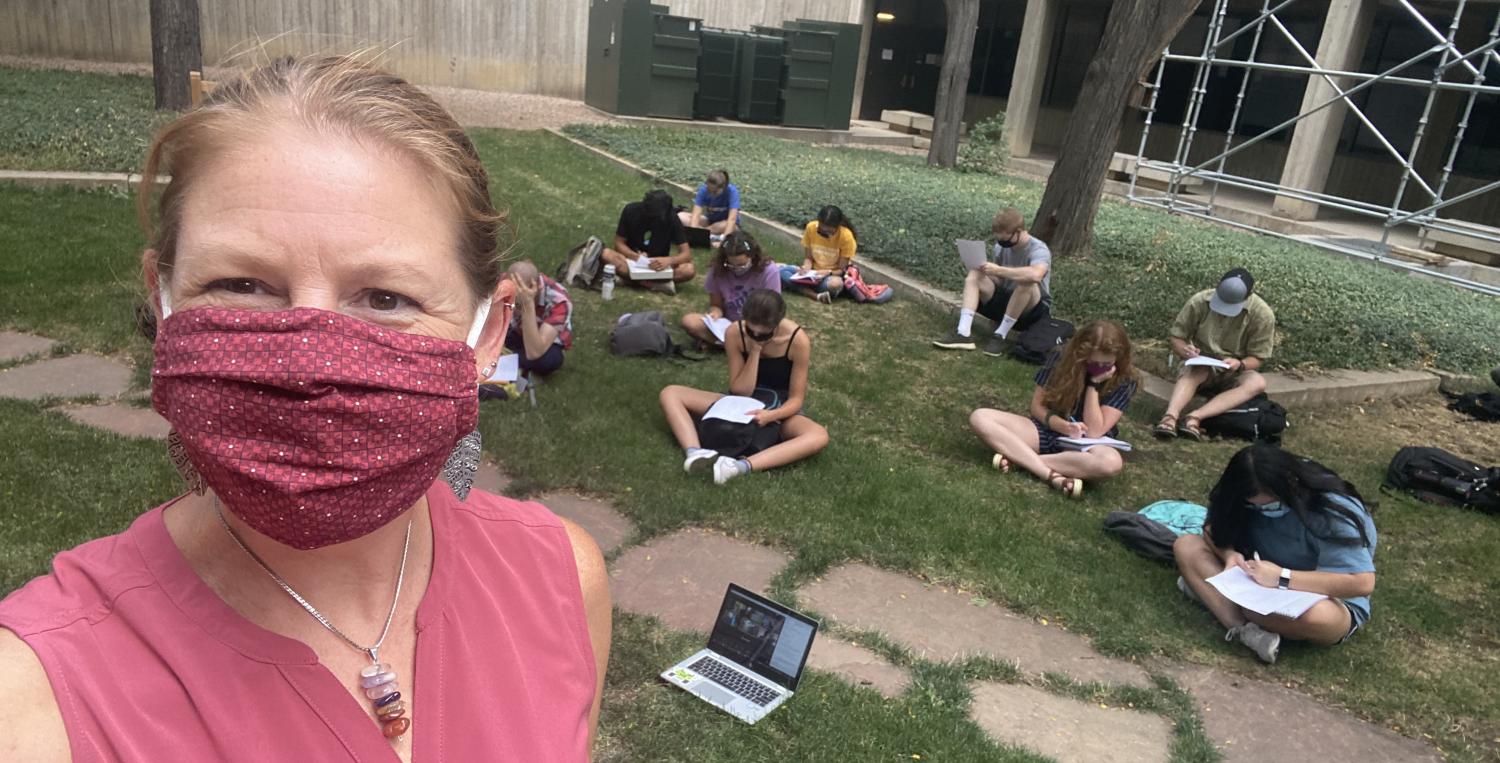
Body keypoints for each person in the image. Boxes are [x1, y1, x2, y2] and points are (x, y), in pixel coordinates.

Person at [0, 56, 610, 761]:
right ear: (163, 303)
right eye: (243, 282)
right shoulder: (35, 696)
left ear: (489, 334)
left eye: (385, 298)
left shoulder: (563, 579)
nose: (308, 360)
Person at [1173, 445, 1378, 664]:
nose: (1265, 510)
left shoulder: (1331, 507)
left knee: (1319, 617)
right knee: (1186, 545)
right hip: (1257, 582)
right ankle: (1247, 631)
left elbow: (1361, 582)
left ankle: (1215, 598)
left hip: (1319, 597)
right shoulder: (1240, 494)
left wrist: (1283, 577)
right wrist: (1229, 555)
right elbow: (1213, 529)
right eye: (1254, 506)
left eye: (1271, 505)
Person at [659, 289, 829, 484]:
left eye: (763, 334)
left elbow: (796, 399)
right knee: (671, 393)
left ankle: (739, 467)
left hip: (778, 406)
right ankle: (695, 452)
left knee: (818, 435)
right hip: (739, 402)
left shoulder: (797, 340)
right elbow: (740, 390)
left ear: (777, 324)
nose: (755, 335)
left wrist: (771, 416)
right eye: (750, 330)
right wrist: (755, 351)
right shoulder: (735, 332)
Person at [969, 320, 1138, 498]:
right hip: (1048, 429)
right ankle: (1051, 475)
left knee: (1111, 463)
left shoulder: (1125, 380)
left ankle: (1020, 460)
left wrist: (1093, 385)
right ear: (1081, 353)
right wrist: (1063, 426)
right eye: (1094, 363)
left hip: (1089, 445)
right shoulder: (1060, 359)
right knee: (980, 417)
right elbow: (1037, 407)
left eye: (1106, 364)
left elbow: (1094, 432)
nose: (1100, 368)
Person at [1155, 268, 1275, 441]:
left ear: (1248, 296)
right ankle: (1170, 418)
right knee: (1197, 371)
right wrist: (1186, 351)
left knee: (1257, 382)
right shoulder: (1199, 301)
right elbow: (1177, 337)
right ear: (1217, 286)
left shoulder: (1263, 315)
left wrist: (1240, 364)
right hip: (1201, 361)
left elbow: (1258, 357)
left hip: (1234, 368)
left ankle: (1194, 417)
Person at [934, 207, 1053, 355]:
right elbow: (1001, 280)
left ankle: (1000, 335)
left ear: (1019, 231)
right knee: (975, 274)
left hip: (1032, 310)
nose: (1002, 243)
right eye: (999, 240)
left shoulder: (1039, 249)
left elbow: (1036, 274)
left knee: (1027, 280)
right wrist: (984, 270)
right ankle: (963, 333)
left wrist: (998, 270)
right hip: (1006, 300)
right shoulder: (1000, 248)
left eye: (1005, 239)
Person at [680, 230, 780, 349]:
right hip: (728, 324)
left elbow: (772, 310)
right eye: (731, 265)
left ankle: (727, 345)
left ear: (753, 256)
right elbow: (716, 304)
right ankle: (739, 346)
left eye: (742, 265)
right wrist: (715, 313)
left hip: (757, 324)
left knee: (779, 332)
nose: (736, 269)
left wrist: (750, 325)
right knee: (689, 321)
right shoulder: (718, 269)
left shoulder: (769, 271)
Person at [603, 189, 696, 294]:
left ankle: (631, 281)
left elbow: (686, 254)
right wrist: (636, 257)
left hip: (658, 266)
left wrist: (669, 260)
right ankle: (654, 284)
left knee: (688, 270)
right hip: (632, 261)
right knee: (606, 254)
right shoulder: (631, 210)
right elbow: (619, 243)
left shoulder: (672, 218)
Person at [501, 259, 573, 377]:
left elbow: (534, 352)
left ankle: (506, 361)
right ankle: (510, 360)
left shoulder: (559, 301)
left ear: (536, 288)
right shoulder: (503, 282)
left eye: (517, 299)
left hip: (543, 341)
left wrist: (527, 304)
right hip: (514, 330)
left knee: (549, 360)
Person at [783, 205, 857, 304]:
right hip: (812, 274)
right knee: (780, 271)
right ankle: (815, 295)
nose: (824, 234)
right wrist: (806, 268)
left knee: (836, 284)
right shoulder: (811, 227)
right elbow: (808, 258)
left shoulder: (846, 237)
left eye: (829, 232)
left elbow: (841, 270)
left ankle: (799, 287)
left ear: (838, 226)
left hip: (829, 276)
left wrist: (828, 272)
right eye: (821, 231)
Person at [677, 169, 741, 241]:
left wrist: (724, 241)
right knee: (681, 216)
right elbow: (696, 215)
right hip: (710, 221)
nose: (711, 194)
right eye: (709, 191)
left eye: (714, 192)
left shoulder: (732, 191)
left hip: (726, 224)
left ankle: (707, 234)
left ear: (724, 187)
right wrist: (693, 232)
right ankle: (709, 235)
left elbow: (732, 219)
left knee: (725, 226)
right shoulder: (703, 190)